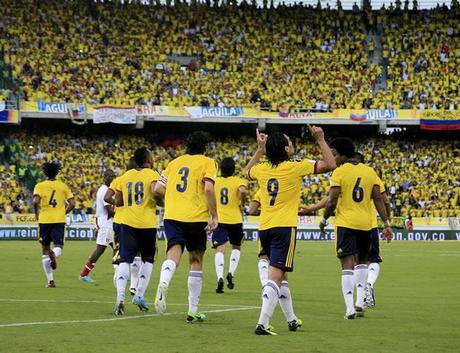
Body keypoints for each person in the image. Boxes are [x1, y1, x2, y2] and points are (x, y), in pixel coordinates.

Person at [246, 126, 336, 335]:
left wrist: (260, 149)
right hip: (284, 228)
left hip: (265, 227)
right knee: (276, 275)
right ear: (286, 149)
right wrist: (321, 139)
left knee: (282, 275)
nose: (293, 145)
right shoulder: (296, 167)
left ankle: (292, 319)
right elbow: (330, 164)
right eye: (290, 142)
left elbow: (247, 171)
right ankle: (263, 323)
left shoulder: (262, 169)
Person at [300, 152, 392, 309]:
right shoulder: (370, 174)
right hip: (368, 224)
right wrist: (387, 222)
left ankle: (354, 303)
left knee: (351, 263)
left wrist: (316, 212)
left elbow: (332, 199)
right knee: (370, 261)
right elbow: (384, 200)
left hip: (347, 223)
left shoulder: (343, 174)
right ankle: (365, 291)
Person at [153, 131, 218, 323]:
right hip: (196, 216)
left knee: (173, 253)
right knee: (196, 259)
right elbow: (208, 188)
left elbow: (157, 189)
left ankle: (164, 282)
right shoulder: (208, 162)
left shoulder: (174, 163)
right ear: (205, 147)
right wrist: (214, 215)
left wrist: (173, 199)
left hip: (172, 215)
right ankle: (192, 310)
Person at [113, 147, 161, 315]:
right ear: (148, 159)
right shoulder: (153, 175)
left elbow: (117, 201)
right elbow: (156, 193)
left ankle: (120, 296)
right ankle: (139, 295)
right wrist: (160, 201)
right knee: (148, 260)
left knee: (124, 260)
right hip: (147, 224)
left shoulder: (125, 177)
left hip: (127, 223)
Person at [33, 162, 75, 287]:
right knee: (58, 246)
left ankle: (50, 281)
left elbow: (35, 201)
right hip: (58, 220)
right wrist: (63, 212)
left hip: (44, 220)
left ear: (45, 172)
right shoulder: (63, 186)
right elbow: (72, 203)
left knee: (45, 250)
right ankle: (54, 254)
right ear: (57, 172)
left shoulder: (39, 186)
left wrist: (36, 214)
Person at [105, 157, 140, 293]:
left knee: (119, 250)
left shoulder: (119, 180)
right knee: (137, 253)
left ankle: (117, 271)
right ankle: (133, 286)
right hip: (135, 219)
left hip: (119, 221)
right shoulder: (142, 179)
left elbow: (107, 198)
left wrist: (117, 203)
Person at [212, 157, 248, 293]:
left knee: (220, 249)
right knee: (236, 247)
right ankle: (231, 273)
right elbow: (243, 191)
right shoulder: (238, 180)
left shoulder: (216, 181)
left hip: (220, 219)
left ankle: (220, 277)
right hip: (235, 220)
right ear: (233, 169)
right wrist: (241, 203)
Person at [79, 170, 116, 282]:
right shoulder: (105, 190)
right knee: (100, 249)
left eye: (114, 176)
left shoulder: (105, 190)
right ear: (104, 177)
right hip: (106, 224)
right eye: (110, 176)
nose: (112, 178)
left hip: (106, 223)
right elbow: (109, 211)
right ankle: (84, 275)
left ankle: (119, 273)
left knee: (117, 248)